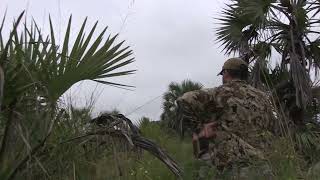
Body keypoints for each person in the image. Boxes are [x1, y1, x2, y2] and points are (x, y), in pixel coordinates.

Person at [177, 58, 277, 179]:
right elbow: (272, 127)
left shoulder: (221, 93)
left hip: (233, 168)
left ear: (226, 73)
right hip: (264, 167)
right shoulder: (263, 98)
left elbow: (184, 99)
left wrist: (200, 128)